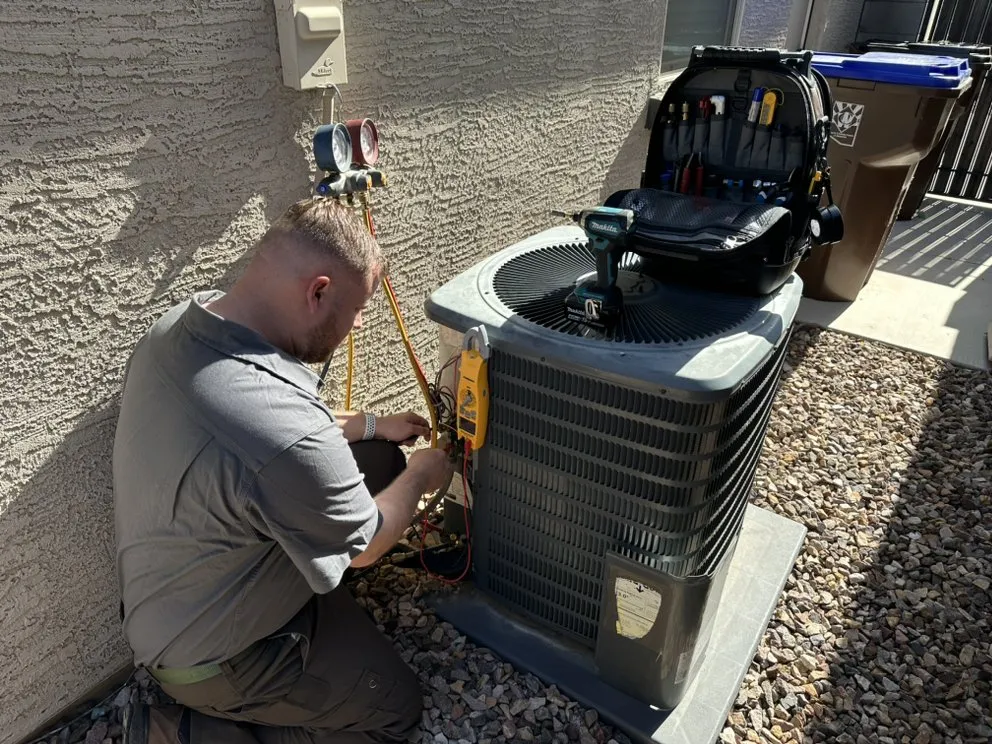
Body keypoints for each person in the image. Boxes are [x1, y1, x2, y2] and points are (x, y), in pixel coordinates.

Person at [112, 196, 454, 744]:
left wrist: (371, 425)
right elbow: (364, 544)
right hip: (213, 659)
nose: (359, 322)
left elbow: (269, 436)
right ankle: (181, 731)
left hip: (176, 591)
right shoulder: (281, 426)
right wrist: (424, 475)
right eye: (357, 308)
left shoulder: (183, 325)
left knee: (377, 460)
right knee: (393, 709)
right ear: (318, 292)